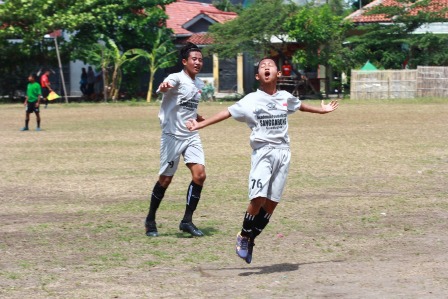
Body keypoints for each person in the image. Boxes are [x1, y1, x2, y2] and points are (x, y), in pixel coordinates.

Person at [186, 57, 339, 263]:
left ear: (278, 74)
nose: (267, 67)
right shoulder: (250, 100)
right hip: (263, 153)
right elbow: (227, 112)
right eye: (262, 67)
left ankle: (251, 239)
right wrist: (199, 125)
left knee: (272, 204)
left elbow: (299, 106)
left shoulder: (285, 97)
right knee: (258, 199)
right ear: (258, 76)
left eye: (271, 66)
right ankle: (243, 235)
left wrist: (322, 110)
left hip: (283, 153)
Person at [144, 42, 207, 237]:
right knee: (165, 180)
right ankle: (150, 219)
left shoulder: (198, 84)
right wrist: (164, 86)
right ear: (184, 62)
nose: (197, 62)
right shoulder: (176, 78)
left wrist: (197, 117)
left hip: (191, 136)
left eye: (200, 60)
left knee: (200, 175)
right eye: (193, 59)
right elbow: (166, 87)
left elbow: (186, 106)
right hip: (172, 136)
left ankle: (187, 221)